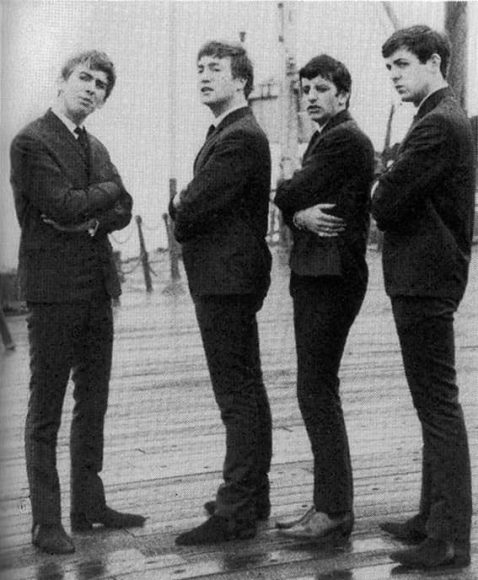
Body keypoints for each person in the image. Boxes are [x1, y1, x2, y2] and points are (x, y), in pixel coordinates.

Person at [10, 50, 145, 555]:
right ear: (62, 81)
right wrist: (101, 197)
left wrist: (92, 212)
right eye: (84, 79)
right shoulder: (31, 141)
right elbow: (59, 203)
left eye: (101, 85)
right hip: (52, 293)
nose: (92, 89)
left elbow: (124, 207)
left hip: (95, 289)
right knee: (45, 408)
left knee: (93, 402)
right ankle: (46, 521)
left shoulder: (96, 145)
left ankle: (88, 504)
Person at [372, 25, 475, 569]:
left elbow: (386, 205)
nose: (394, 76)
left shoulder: (437, 125)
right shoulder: (442, 116)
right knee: (432, 401)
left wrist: (382, 181)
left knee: (437, 404)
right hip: (430, 273)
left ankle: (451, 536)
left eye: (403, 65)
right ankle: (430, 516)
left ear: (434, 62)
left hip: (426, 276)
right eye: (389, 68)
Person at [169, 40, 272, 545]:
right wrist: (184, 202)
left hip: (225, 280)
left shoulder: (239, 137)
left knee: (237, 394)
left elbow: (191, 212)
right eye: (200, 67)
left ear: (241, 81)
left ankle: (236, 509)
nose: (204, 75)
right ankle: (251, 494)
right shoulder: (230, 132)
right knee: (245, 389)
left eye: (215, 69)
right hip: (229, 278)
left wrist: (178, 204)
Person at [274, 55, 374, 540]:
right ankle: (328, 504)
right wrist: (298, 215)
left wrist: (290, 202)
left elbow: (288, 191)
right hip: (323, 273)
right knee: (316, 388)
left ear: (343, 94)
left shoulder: (343, 139)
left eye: (320, 88)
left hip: (330, 278)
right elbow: (299, 202)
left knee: (316, 390)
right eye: (305, 89)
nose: (310, 96)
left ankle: (333, 510)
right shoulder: (327, 137)